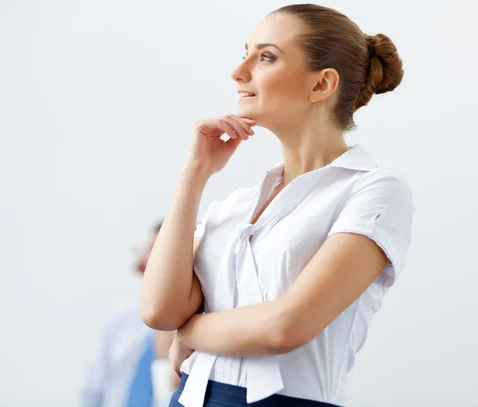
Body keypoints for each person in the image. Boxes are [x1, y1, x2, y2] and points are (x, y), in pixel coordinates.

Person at [140, 4, 414, 407]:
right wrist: (193, 176)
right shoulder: (236, 205)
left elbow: (285, 328)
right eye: (246, 52)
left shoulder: (374, 191)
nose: (239, 71)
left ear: (322, 85)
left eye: (265, 56)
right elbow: (160, 311)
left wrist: (190, 331)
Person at [81, 220, 180, 407]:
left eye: (162, 250)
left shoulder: (204, 331)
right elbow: (92, 390)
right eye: (150, 250)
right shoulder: (122, 322)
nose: (150, 259)